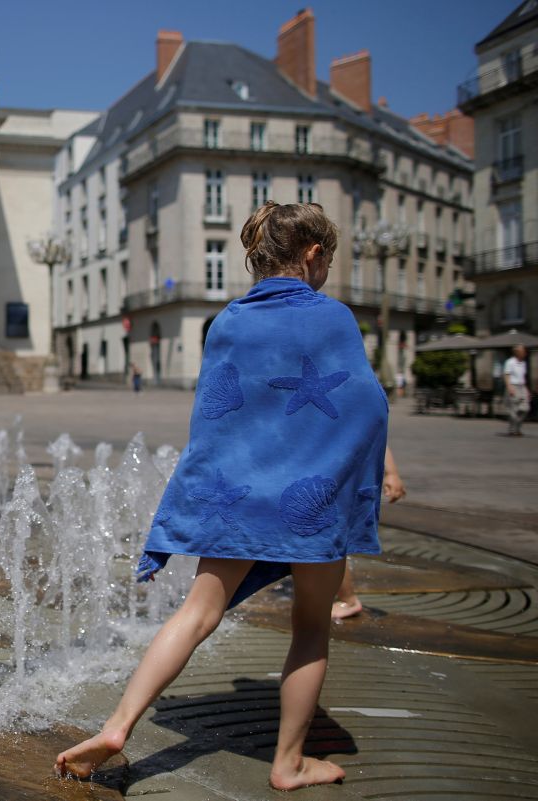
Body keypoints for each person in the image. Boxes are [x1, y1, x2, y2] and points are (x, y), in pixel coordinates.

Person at [55, 202, 387, 791]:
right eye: (328, 260)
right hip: (309, 506)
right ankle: (288, 763)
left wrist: (201, 496)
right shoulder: (334, 318)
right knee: (311, 626)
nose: (328, 271)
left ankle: (116, 725)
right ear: (313, 255)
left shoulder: (228, 321)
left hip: (239, 498)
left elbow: (218, 418)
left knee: (196, 613)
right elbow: (365, 406)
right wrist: (365, 472)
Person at [331, 446, 405, 620]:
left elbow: (377, 429)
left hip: (333, 477)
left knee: (327, 544)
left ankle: (348, 599)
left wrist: (391, 473)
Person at [504, 344, 530, 437]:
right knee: (513, 409)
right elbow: (507, 375)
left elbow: (523, 377)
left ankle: (515, 427)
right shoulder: (510, 362)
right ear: (517, 352)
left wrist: (526, 389)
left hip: (522, 386)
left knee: (526, 408)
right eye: (523, 351)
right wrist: (509, 387)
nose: (525, 353)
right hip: (513, 386)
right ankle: (514, 429)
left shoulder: (523, 363)